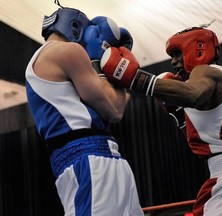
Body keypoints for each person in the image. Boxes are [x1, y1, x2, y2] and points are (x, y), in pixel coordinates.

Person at [99, 26, 222, 215]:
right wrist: (181, 115)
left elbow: (193, 94)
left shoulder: (207, 71)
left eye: (177, 53)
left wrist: (136, 79)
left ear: (199, 49)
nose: (173, 61)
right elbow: (213, 131)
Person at [25, 6, 144, 216]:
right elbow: (115, 110)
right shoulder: (69, 51)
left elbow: (117, 102)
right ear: (76, 27)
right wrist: (105, 65)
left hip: (94, 158)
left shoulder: (43, 59)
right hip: (90, 161)